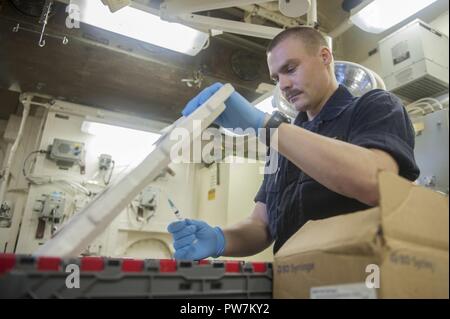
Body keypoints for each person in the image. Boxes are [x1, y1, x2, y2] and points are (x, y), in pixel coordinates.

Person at [167, 27, 420, 260]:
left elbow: (377, 182)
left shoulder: (375, 106)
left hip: (361, 276)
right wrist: (220, 238)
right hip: (293, 279)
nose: (284, 85)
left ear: (324, 57)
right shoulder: (281, 143)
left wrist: (267, 127)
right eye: (276, 78)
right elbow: (261, 225)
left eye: (290, 69)